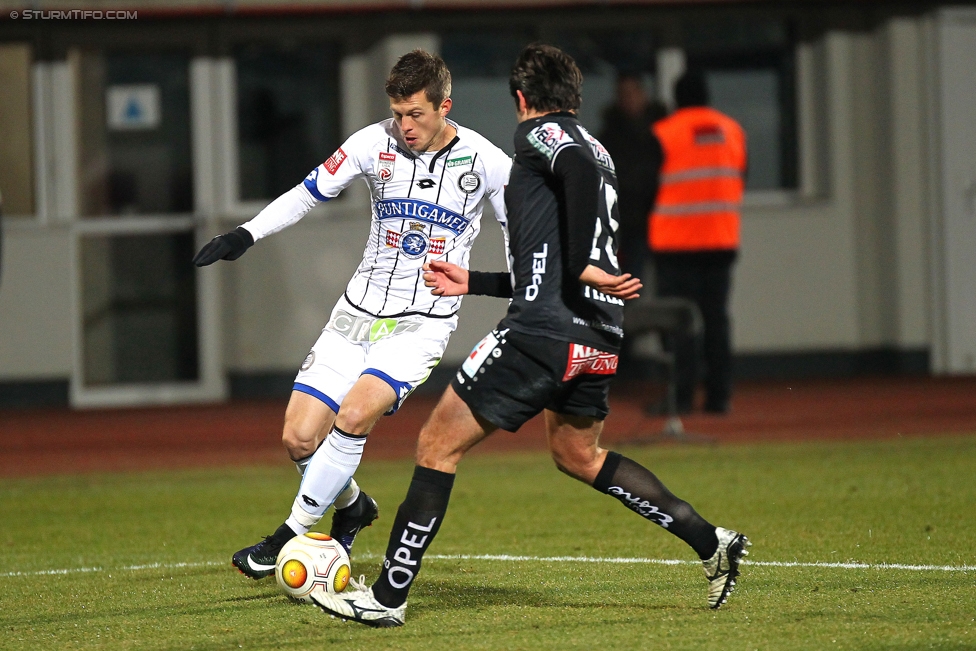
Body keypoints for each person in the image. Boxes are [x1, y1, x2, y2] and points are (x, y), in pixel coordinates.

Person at [311, 44, 750, 629]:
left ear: (521, 99)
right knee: (579, 455)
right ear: (576, 93)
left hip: (542, 332)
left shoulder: (542, 138)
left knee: (436, 446)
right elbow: (540, 262)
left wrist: (579, 265)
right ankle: (711, 540)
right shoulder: (602, 150)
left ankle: (387, 598)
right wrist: (479, 281)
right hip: (597, 333)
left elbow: (567, 191)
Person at [193, 50, 512, 579]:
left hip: (422, 322)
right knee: (298, 438)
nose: (405, 125)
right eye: (398, 113)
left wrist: (515, 293)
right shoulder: (371, 142)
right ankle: (354, 507)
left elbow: (521, 238)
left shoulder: (488, 162)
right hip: (356, 311)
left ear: (444, 106)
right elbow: (306, 192)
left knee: (354, 415)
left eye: (417, 114)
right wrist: (244, 234)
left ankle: (289, 533)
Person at [648, 70, 747, 414]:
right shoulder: (732, 131)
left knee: (680, 323)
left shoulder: (664, 133)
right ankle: (720, 396)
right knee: (717, 320)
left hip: (674, 244)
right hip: (720, 241)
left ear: (677, 98)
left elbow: (647, 188)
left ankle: (683, 397)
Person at [597, 73, 666, 282]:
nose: (629, 100)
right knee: (632, 284)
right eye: (624, 95)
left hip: (665, 220)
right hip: (629, 224)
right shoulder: (609, 138)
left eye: (633, 93)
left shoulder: (661, 132)